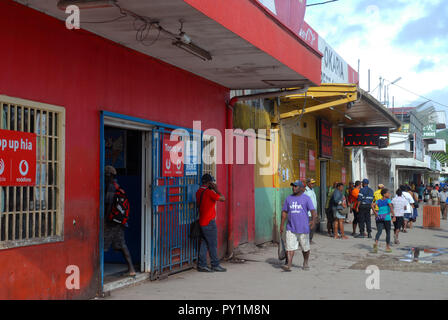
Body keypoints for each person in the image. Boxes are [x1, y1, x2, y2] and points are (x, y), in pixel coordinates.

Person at [104, 165, 136, 277]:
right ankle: (131, 269)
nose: (104, 177)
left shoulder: (111, 187)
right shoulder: (117, 186)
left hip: (112, 222)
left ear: (110, 176)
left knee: (101, 244)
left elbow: (108, 205)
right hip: (119, 221)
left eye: (106, 175)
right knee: (121, 245)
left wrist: (105, 219)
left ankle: (95, 272)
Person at [280, 180, 317, 272]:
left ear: (301, 188)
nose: (293, 188)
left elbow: (313, 211)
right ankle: (289, 265)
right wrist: (282, 225)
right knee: (290, 247)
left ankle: (305, 262)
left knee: (305, 248)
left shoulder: (306, 198)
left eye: (296, 186)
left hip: (303, 228)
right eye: (293, 186)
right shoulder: (288, 198)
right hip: (291, 227)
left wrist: (313, 221)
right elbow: (284, 212)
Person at [196, 173, 226, 272]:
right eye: (212, 182)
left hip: (202, 222)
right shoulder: (209, 193)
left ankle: (202, 265)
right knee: (212, 244)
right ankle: (215, 264)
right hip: (209, 222)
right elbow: (223, 198)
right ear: (209, 183)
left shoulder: (198, 191)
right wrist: (216, 189)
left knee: (204, 244)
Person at [372, 188, 395, 253]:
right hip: (386, 218)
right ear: (384, 194)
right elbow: (391, 207)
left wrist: (375, 213)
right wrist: (394, 216)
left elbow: (372, 205)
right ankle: (387, 247)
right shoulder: (388, 200)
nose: (389, 194)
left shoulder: (378, 201)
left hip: (379, 217)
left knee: (379, 231)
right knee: (388, 232)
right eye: (388, 193)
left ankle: (375, 244)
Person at [304, 178, 318, 244]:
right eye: (311, 183)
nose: (313, 184)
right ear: (308, 183)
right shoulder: (305, 191)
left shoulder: (312, 190)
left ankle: (310, 239)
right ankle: (306, 240)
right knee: (308, 227)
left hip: (314, 212)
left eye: (313, 183)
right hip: (308, 213)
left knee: (313, 226)